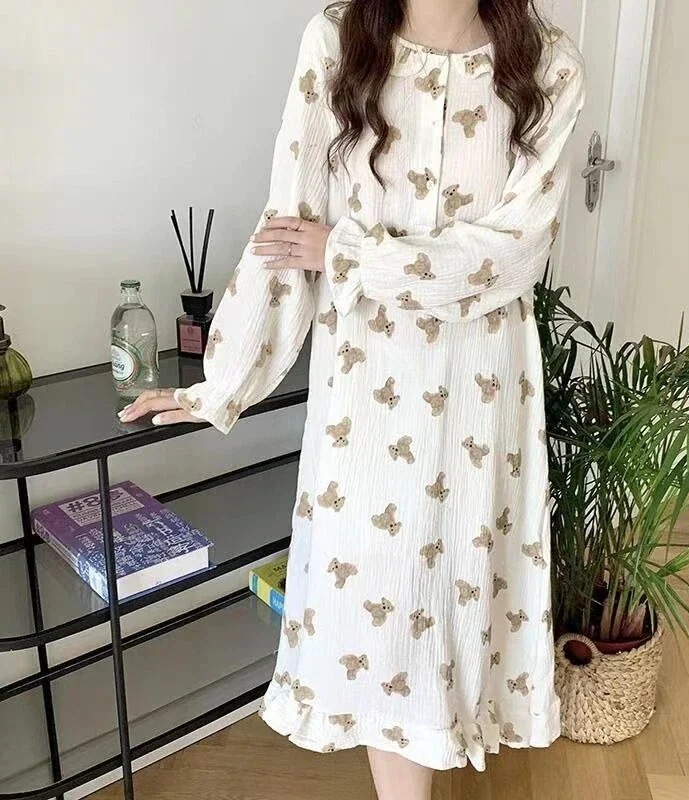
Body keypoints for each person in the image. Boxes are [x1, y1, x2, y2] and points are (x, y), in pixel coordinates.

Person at [121, 1, 584, 797]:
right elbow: (289, 224)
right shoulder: (337, 41)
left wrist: (352, 255)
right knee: (382, 615)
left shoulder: (549, 64)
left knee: (454, 607)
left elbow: (515, 256)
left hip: (484, 397)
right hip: (369, 395)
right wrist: (222, 382)